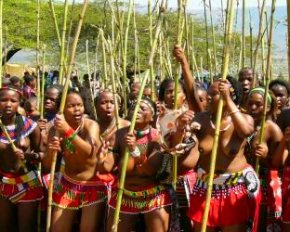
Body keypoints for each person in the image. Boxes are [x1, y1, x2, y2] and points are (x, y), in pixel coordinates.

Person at [174, 77, 261, 231]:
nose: (207, 97)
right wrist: (181, 128)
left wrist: (228, 100)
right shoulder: (201, 119)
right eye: (208, 93)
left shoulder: (245, 119)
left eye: (213, 93)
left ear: (229, 95)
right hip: (204, 187)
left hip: (234, 189)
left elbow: (246, 132)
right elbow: (179, 146)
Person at [107, 97, 172, 232]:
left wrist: (133, 149)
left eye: (142, 108)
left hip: (153, 197)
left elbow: (147, 171)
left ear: (152, 117)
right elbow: (110, 167)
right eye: (134, 107)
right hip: (124, 195)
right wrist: (103, 154)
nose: (136, 111)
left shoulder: (157, 138)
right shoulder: (119, 134)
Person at [43, 89, 104, 232]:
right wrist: (52, 151)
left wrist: (68, 131)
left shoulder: (90, 125)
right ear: (61, 109)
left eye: (80, 105)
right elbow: (47, 166)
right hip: (68, 185)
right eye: (71, 106)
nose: (77, 109)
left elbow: (91, 152)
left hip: (92, 185)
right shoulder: (55, 130)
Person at [0, 86, 43, 232]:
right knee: (5, 227)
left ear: (19, 103)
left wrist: (28, 156)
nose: (8, 104)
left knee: (26, 228)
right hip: (3, 183)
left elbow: (43, 155)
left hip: (28, 182)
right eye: (3, 100)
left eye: (13, 100)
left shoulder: (29, 125)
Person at [246, 87, 284, 231]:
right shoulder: (246, 124)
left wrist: (265, 158)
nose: (253, 107)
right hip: (245, 180)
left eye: (258, 104)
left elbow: (280, 162)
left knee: (260, 221)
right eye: (250, 103)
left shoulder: (272, 129)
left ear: (267, 107)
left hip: (263, 182)